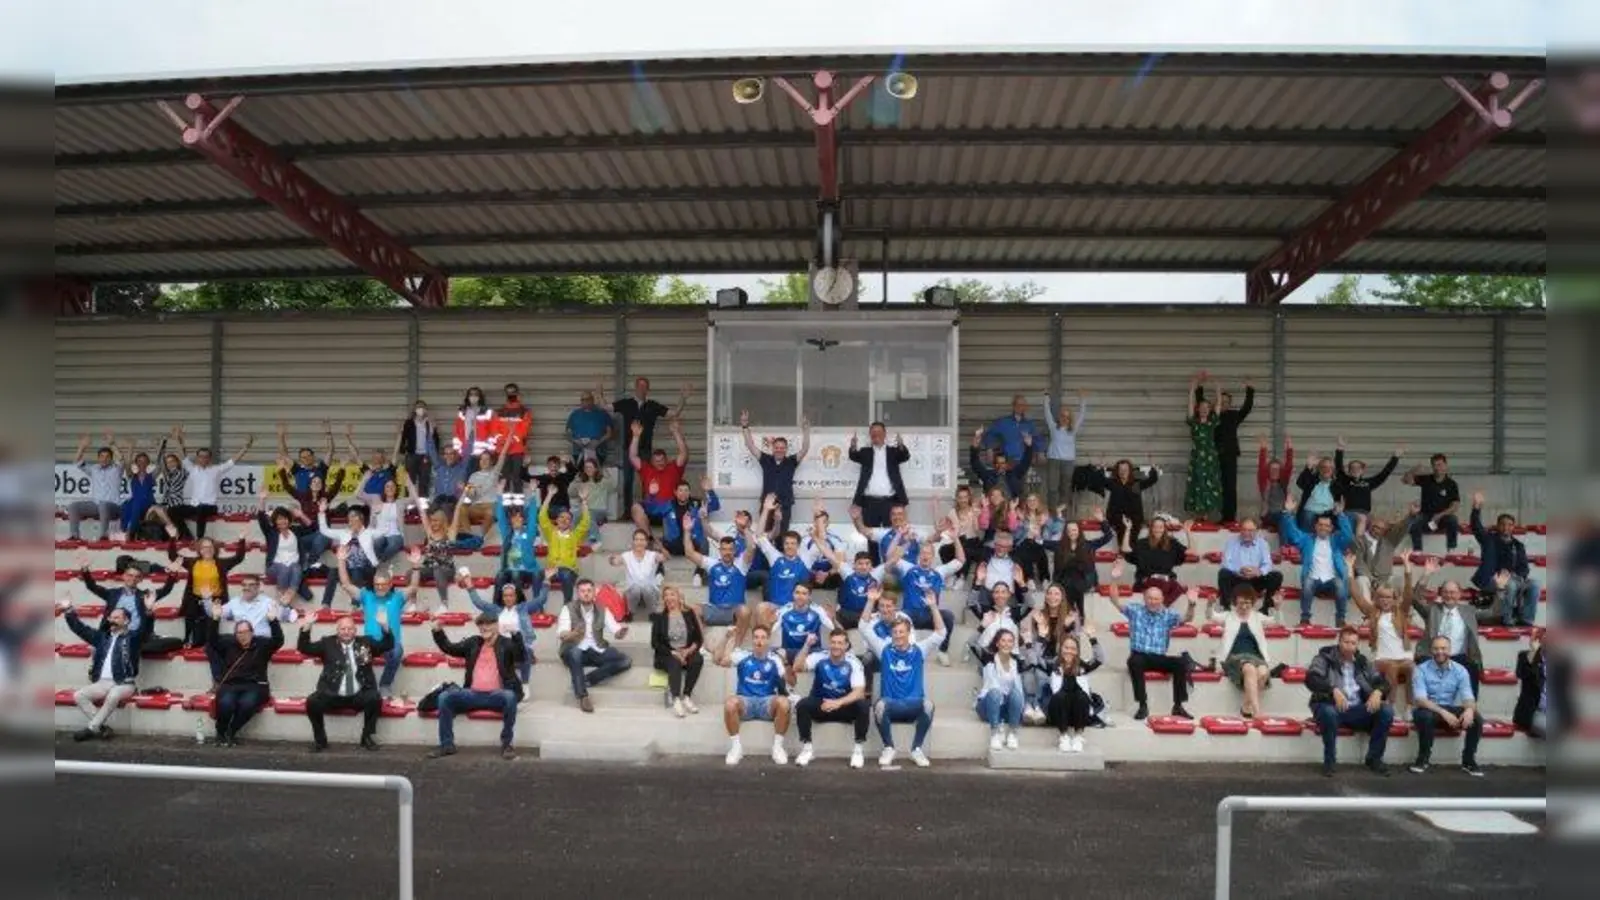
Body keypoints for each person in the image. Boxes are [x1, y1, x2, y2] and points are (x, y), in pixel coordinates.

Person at [857, 591, 947, 767]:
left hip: (913, 704)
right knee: (879, 705)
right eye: (895, 632)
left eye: (901, 632)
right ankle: (889, 747)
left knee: (928, 705)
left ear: (909, 633)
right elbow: (863, 626)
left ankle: (916, 749)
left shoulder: (920, 649)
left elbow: (941, 632)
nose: (898, 635)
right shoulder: (883, 649)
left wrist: (934, 607)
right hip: (891, 704)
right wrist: (870, 601)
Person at [59, 591, 157, 741]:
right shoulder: (101, 637)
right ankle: (102, 726)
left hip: (125, 683)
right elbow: (80, 628)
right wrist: (69, 610)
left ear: (126, 621)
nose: (112, 620)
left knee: (114, 695)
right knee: (79, 695)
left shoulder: (133, 638)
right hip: (102, 682)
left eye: (117, 618)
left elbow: (146, 629)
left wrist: (149, 611)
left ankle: (91, 729)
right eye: (111, 617)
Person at [427, 612, 525, 761]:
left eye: (488, 624)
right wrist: (438, 631)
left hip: (497, 695)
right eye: (481, 625)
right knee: (445, 697)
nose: (484, 627)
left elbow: (522, 657)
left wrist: (516, 634)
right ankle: (447, 745)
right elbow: (450, 648)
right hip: (472, 694)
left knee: (510, 696)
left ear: (496, 626)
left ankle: (507, 744)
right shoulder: (473, 642)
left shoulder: (506, 643)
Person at [1305, 626, 1394, 777]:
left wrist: (1378, 692)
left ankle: (1374, 759)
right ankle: (1329, 762)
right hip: (1330, 706)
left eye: (1353, 643)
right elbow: (1311, 679)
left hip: (1357, 709)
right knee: (1328, 712)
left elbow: (1383, 682)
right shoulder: (1324, 657)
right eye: (1346, 642)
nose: (1349, 646)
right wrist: (1332, 690)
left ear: (1357, 644)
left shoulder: (1362, 662)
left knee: (1386, 711)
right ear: (1339, 642)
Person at [298, 611, 393, 752]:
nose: (346, 632)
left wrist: (385, 626)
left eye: (350, 629)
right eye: (343, 629)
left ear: (355, 630)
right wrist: (307, 627)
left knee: (374, 698)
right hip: (332, 693)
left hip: (358, 694)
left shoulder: (366, 643)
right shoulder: (327, 643)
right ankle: (320, 740)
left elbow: (388, 644)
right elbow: (304, 648)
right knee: (312, 702)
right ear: (337, 631)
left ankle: (366, 737)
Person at [332, 547, 412, 699]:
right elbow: (346, 584)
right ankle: (360, 688)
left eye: (383, 584)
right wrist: (341, 561)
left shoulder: (397, 597)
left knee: (397, 652)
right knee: (353, 653)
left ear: (390, 585)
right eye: (377, 584)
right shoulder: (366, 596)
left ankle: (384, 685)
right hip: (370, 643)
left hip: (390, 642)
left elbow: (414, 587)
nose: (379, 587)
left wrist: (415, 567)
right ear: (373, 584)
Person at [788, 628, 871, 768]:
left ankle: (858, 750)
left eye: (840, 643)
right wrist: (806, 646)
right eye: (833, 642)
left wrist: (838, 702)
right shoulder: (820, 656)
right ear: (829, 643)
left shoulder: (854, 662)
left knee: (863, 705)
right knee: (802, 705)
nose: (836, 646)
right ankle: (807, 749)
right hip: (822, 705)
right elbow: (797, 667)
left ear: (846, 646)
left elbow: (859, 692)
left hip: (843, 707)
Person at [1349, 556, 1419, 716]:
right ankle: (1391, 706)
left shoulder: (1402, 612)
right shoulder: (1372, 612)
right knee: (1392, 668)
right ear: (1377, 599)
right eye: (1381, 597)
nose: (1385, 600)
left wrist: (1407, 568)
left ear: (1395, 599)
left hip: (1403, 655)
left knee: (1413, 669)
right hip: (1382, 657)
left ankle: (1410, 706)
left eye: (1388, 597)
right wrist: (1349, 570)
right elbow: (1356, 595)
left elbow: (1408, 594)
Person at [1120, 582, 1199, 720]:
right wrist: (1115, 580)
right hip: (1140, 655)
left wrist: (1191, 604)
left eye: (1156, 599)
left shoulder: (1168, 615)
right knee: (1134, 661)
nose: (1153, 602)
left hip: (1159, 657)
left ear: (1162, 600)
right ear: (1144, 599)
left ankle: (1178, 706)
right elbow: (1115, 601)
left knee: (1181, 663)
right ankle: (1142, 705)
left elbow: (1188, 618)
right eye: (1150, 598)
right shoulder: (1135, 610)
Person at [715, 623, 791, 765]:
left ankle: (778, 747)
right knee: (730, 703)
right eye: (756, 637)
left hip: (767, 702)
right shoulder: (742, 655)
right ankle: (736, 747)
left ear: (768, 640)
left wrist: (785, 663)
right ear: (752, 640)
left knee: (784, 703)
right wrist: (727, 639)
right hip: (746, 702)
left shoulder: (775, 659)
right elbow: (719, 660)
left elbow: (792, 682)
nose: (759, 641)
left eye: (763, 637)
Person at [603, 377, 688, 504]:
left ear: (648, 389)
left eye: (645, 386)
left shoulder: (652, 406)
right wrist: (599, 394)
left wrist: (683, 398)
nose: (642, 389)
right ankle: (627, 511)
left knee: (647, 480)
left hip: (646, 449)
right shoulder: (627, 403)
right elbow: (605, 407)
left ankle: (647, 505)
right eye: (640, 386)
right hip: (628, 447)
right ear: (635, 387)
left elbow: (674, 413)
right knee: (627, 480)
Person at [1409, 635, 1484, 777]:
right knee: (1425, 715)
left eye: (1443, 648)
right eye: (1436, 648)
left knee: (1477, 718)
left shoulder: (1460, 670)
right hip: (1427, 709)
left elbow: (1468, 697)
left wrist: (1469, 710)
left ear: (1450, 650)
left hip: (1448, 710)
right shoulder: (1421, 669)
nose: (1439, 652)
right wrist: (1443, 713)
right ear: (1431, 650)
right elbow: (1420, 700)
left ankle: (1468, 761)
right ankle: (1423, 758)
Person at [879, 536, 960, 664]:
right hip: (910, 614)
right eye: (922, 552)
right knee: (898, 616)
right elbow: (890, 555)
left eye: (928, 553)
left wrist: (955, 538)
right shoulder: (908, 568)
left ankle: (942, 651)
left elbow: (961, 560)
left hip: (930, 615)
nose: (925, 555)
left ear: (933, 556)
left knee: (948, 616)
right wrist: (902, 537)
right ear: (918, 555)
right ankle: (899, 651)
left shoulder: (940, 571)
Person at [555, 579, 632, 712]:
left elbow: (615, 631)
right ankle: (582, 696)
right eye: (582, 591)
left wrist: (621, 632)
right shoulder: (568, 609)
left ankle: (588, 679)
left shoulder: (603, 609)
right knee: (575, 652)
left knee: (625, 660)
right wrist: (572, 634)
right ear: (578, 593)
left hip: (596, 648)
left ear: (594, 593)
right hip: (573, 650)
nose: (586, 594)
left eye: (589, 591)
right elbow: (562, 633)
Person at [1410, 560, 1483, 696]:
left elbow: (1495, 612)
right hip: (1433, 655)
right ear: (1441, 594)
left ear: (1459, 594)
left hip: (1459, 657)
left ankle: (1469, 709)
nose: (1449, 595)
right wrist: (1426, 575)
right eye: (1446, 592)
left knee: (1472, 668)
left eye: (1453, 592)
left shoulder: (1469, 611)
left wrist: (1501, 590)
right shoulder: (1432, 609)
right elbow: (1415, 598)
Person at [1279, 496, 1355, 626]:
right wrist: (1288, 513)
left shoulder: (1336, 540)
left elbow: (1348, 536)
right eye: (1320, 525)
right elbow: (1292, 533)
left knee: (1341, 586)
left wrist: (1341, 515)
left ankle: (1340, 619)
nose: (1323, 528)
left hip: (1332, 578)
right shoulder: (1306, 539)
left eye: (1327, 526)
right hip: (1313, 578)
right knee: (1307, 584)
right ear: (1315, 526)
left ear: (1331, 528)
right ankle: (1305, 618)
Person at [210, 616, 285, 746]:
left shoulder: (262, 644)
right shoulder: (229, 643)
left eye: (246, 632)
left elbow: (278, 641)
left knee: (247, 704)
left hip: (255, 685)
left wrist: (273, 621)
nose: (243, 635)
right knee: (226, 703)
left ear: (251, 632)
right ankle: (220, 732)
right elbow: (212, 640)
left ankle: (231, 731)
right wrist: (215, 619)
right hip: (231, 684)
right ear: (235, 634)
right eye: (239, 633)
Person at [1468, 491, 1539, 627]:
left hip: (1513, 579)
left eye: (1509, 524)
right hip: (1490, 579)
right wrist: (1476, 507)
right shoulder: (1489, 539)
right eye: (1503, 524)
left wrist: (1516, 576)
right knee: (1510, 585)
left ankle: (1527, 620)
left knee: (1535, 584)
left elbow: (1524, 568)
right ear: (1498, 525)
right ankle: (1507, 619)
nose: (1506, 527)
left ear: (1513, 527)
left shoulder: (1518, 545)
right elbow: (1476, 527)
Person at [172, 426, 254, 540]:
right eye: (201, 457)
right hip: (194, 506)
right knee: (172, 510)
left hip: (210, 507)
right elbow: (182, 456)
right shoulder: (193, 469)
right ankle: (186, 535)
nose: (203, 459)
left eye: (206, 457)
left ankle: (200, 539)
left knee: (202, 509)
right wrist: (176, 439)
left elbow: (232, 461)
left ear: (209, 458)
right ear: (197, 458)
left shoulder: (215, 470)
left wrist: (245, 447)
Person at [1206, 586, 1275, 719]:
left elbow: (1276, 622)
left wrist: (1277, 608)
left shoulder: (1257, 617)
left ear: (1252, 603)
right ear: (1235, 603)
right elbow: (1211, 616)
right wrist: (1210, 604)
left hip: (1256, 656)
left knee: (1262, 672)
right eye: (1241, 603)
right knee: (1249, 669)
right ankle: (1257, 711)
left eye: (1247, 603)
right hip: (1234, 656)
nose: (1244, 606)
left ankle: (1245, 706)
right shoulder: (1228, 616)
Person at [167, 535, 249, 647]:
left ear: (215, 549)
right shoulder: (192, 562)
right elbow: (173, 556)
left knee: (210, 628)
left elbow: (238, 557)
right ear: (199, 550)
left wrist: (241, 540)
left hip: (215, 600)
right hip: (195, 598)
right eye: (204, 547)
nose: (207, 549)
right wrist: (172, 538)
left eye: (210, 547)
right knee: (190, 611)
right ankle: (188, 639)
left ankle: (210, 642)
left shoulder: (222, 563)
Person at [740, 409, 811, 537]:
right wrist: (745, 426)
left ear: (786, 449)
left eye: (782, 448)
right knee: (763, 537)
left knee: (782, 538)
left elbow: (805, 448)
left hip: (785, 506)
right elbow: (750, 445)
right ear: (773, 448)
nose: (779, 450)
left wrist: (806, 430)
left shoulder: (791, 462)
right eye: (777, 447)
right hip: (767, 505)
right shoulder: (765, 460)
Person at [1196, 380, 1253, 523]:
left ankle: (1229, 518)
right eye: (1221, 401)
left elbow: (1246, 408)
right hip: (1212, 456)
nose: (1224, 403)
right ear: (1216, 403)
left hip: (1229, 455)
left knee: (1229, 487)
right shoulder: (1211, 416)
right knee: (1212, 485)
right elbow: (1200, 404)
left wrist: (1250, 390)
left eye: (1227, 401)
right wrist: (1199, 387)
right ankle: (1208, 515)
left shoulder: (1234, 416)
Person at [683, 532, 758, 638]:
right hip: (714, 609)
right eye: (724, 549)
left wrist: (745, 529)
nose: (727, 552)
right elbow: (689, 553)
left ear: (735, 551)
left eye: (730, 549)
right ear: (719, 551)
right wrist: (687, 530)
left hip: (733, 611)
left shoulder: (741, 564)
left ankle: (736, 647)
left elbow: (751, 548)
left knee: (745, 611)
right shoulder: (711, 564)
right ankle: (702, 643)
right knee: (691, 609)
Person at [467, 576, 540, 684]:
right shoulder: (496, 609)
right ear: (502, 597)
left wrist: (546, 582)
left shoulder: (523, 608)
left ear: (516, 596)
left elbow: (541, 599)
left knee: (526, 651)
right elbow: (479, 603)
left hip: (520, 646)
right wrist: (470, 587)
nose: (508, 598)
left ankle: (525, 684)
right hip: (501, 646)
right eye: (505, 596)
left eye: (511, 595)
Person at [1046, 628, 1105, 752]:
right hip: (1059, 711)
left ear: (1077, 651)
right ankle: (1063, 736)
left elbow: (1100, 659)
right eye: (1066, 648)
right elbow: (1036, 659)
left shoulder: (1082, 666)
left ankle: (1078, 736)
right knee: (1060, 696)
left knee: (1081, 696)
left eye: (1073, 649)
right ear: (1060, 649)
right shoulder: (1053, 665)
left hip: (1078, 711)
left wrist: (1092, 639)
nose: (1069, 651)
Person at [650, 585, 705, 717]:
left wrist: (687, 651)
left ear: (679, 597)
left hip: (686, 650)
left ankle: (686, 696)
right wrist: (673, 652)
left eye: (672, 594)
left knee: (697, 659)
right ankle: (676, 699)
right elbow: (655, 643)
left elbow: (698, 639)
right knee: (674, 662)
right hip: (667, 653)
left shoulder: (689, 614)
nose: (669, 598)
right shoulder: (659, 617)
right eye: (666, 595)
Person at [1051, 510, 1113, 620]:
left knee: (1076, 584)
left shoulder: (1088, 545)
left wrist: (1102, 521)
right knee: (1070, 582)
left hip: (1083, 582)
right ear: (1065, 532)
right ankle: (1077, 615)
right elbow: (1040, 542)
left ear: (1079, 531)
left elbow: (1108, 536)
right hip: (1065, 583)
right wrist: (1034, 533)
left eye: (1074, 530)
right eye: (1069, 530)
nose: (1072, 533)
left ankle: (1078, 615)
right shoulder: (1059, 546)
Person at [628, 418, 689, 529]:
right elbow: (633, 457)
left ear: (666, 460)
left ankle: (669, 543)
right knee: (636, 508)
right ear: (651, 462)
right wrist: (636, 437)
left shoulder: (674, 468)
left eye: (662, 460)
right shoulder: (646, 469)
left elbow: (683, 453)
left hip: (670, 509)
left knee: (675, 510)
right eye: (657, 461)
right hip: (651, 508)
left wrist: (676, 432)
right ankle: (648, 539)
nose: (660, 463)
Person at [316, 501, 378, 609]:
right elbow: (324, 530)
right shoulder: (343, 533)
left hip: (367, 568)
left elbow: (385, 531)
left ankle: (356, 604)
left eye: (354, 516)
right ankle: (325, 604)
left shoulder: (370, 532)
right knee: (333, 570)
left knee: (356, 570)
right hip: (348, 568)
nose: (351, 519)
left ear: (361, 519)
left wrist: (379, 514)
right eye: (349, 517)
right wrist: (321, 513)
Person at [1350, 503, 1417, 601]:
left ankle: (1399, 612)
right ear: (1370, 526)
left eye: (1381, 529)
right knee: (1361, 580)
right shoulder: (1359, 541)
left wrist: (1411, 516)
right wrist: (1375, 585)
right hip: (1368, 579)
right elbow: (1360, 566)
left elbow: (1401, 529)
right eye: (1375, 527)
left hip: (1385, 579)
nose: (1377, 531)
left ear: (1385, 531)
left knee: (1398, 579)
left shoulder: (1389, 541)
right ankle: (1369, 613)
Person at [1216, 518, 1283, 615]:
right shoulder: (1231, 542)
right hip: (1238, 578)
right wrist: (1238, 570)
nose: (1247, 533)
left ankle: (1266, 609)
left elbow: (1268, 564)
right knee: (1223, 573)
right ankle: (1226, 608)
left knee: (1277, 576)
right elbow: (1226, 562)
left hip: (1255, 579)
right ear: (1240, 530)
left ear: (1256, 531)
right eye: (1244, 529)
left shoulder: (1263, 544)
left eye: (1250, 530)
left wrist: (1258, 571)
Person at [848, 422, 910, 529]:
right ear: (870, 435)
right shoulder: (865, 452)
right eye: (873, 432)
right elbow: (854, 456)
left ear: (884, 434)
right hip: (869, 502)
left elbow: (905, 456)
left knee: (891, 533)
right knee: (871, 535)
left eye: (879, 431)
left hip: (890, 501)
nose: (876, 434)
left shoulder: (893, 452)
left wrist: (900, 444)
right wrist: (853, 445)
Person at [1120, 515, 1191, 606]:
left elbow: (1191, 551)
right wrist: (1128, 529)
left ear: (1165, 529)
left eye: (1161, 527)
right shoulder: (1142, 543)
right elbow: (1125, 549)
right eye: (1155, 527)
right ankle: (1160, 607)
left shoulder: (1172, 543)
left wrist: (1188, 532)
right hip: (1147, 580)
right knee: (1159, 586)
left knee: (1178, 588)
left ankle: (1161, 607)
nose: (1158, 529)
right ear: (1151, 528)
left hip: (1166, 581)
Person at [540, 487, 593, 609]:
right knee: (537, 575)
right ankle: (539, 607)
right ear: (556, 520)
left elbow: (586, 522)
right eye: (561, 518)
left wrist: (584, 502)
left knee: (565, 574)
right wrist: (549, 496)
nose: (564, 520)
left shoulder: (574, 535)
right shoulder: (551, 532)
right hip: (552, 570)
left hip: (569, 570)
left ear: (570, 522)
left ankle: (568, 606)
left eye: (568, 519)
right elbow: (542, 517)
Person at [976, 629, 1027, 751]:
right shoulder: (989, 661)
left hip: (1005, 706)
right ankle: (995, 733)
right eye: (1003, 640)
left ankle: (1013, 733)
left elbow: (1018, 688)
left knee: (1016, 693)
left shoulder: (1016, 663)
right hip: (989, 705)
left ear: (1013, 644)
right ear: (997, 643)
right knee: (995, 692)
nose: (1006, 644)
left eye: (1010, 641)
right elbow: (992, 686)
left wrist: (1020, 707)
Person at [67, 433, 124, 541]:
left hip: (113, 507)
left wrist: (113, 444)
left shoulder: (116, 469)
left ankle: (104, 536)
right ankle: (75, 536)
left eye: (107, 457)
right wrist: (82, 447)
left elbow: (121, 459)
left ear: (111, 459)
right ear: (98, 458)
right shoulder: (94, 469)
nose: (104, 459)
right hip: (96, 506)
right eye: (102, 456)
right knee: (73, 506)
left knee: (103, 504)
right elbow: (77, 462)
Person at [1333, 438, 1402, 527]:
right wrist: (1340, 448)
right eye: (1353, 468)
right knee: (1349, 537)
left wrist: (1395, 457)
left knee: (1364, 531)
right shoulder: (1345, 480)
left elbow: (1384, 474)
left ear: (1363, 471)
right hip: (1349, 513)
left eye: (1358, 468)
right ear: (1349, 471)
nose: (1355, 470)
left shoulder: (1369, 483)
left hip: (1364, 514)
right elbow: (1339, 467)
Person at [1040, 390, 1089, 512]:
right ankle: (1052, 514)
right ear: (1059, 417)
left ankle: (1063, 515)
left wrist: (1082, 400)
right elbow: (1047, 413)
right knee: (1052, 488)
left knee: (1065, 489)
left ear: (1070, 418)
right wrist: (1046, 398)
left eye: (1067, 416)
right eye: (1062, 416)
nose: (1065, 418)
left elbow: (1082, 416)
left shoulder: (1073, 430)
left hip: (1068, 462)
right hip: (1054, 461)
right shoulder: (1053, 427)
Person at [1184, 371, 1223, 519]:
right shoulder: (1193, 422)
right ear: (1198, 409)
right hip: (1197, 457)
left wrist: (1216, 386)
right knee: (1196, 482)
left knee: (1209, 484)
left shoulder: (1212, 422)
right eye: (1202, 407)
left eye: (1207, 407)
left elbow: (1218, 404)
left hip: (1210, 457)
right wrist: (1193, 387)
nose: (1204, 409)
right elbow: (1190, 403)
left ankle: (1206, 514)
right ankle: (1197, 514)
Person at [765, 584, 835, 665]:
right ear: (793, 594)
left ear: (809, 596)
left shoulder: (818, 610)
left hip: (811, 652)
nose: (800, 596)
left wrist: (833, 619)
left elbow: (834, 629)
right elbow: (769, 632)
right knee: (773, 654)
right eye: (797, 593)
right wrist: (770, 622)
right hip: (790, 651)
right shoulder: (784, 610)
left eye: (804, 594)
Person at [493, 494, 546, 602]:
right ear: (510, 520)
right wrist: (499, 495)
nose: (517, 519)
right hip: (511, 569)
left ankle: (537, 604)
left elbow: (532, 517)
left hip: (529, 570)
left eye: (519, 517)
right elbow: (501, 517)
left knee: (537, 573)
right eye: (514, 517)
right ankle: (500, 606)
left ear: (523, 520)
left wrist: (532, 494)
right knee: (502, 575)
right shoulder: (507, 533)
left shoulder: (529, 533)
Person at [1403, 453, 1461, 552]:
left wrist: (1440, 515)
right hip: (1426, 516)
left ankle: (1451, 549)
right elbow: (1405, 480)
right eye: (1434, 465)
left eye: (1440, 465)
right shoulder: (1426, 479)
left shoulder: (1451, 484)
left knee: (1453, 520)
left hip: (1442, 517)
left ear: (1445, 466)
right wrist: (1413, 470)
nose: (1437, 468)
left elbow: (1455, 506)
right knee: (1414, 522)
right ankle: (1417, 551)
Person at [1102, 459, 1159, 547]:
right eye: (1120, 469)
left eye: (1125, 469)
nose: (1123, 471)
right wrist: (1101, 469)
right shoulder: (1113, 483)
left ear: (1130, 470)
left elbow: (1152, 480)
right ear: (1117, 471)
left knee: (1132, 543)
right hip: (1117, 519)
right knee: (1121, 542)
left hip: (1134, 519)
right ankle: (1123, 556)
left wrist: (1153, 469)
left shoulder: (1136, 483)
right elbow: (1100, 479)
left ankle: (1131, 558)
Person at [968, 426, 1033, 500]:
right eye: (997, 463)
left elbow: (1026, 462)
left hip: (1011, 507)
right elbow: (975, 463)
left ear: (1007, 464)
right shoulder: (988, 476)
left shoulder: (1014, 474)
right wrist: (975, 446)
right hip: (992, 508)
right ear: (994, 464)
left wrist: (1029, 446)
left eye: (1002, 463)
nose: (1000, 465)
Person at [982, 394, 1042, 471]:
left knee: (1020, 482)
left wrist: (1040, 452)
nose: (1021, 407)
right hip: (1005, 459)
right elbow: (989, 435)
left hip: (1023, 461)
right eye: (1019, 405)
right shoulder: (1003, 422)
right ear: (1013, 406)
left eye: (1024, 405)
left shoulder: (1029, 424)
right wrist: (989, 450)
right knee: (1005, 481)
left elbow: (1038, 439)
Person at [613, 528, 664, 617]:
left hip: (650, 591)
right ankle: (630, 612)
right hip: (633, 592)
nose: (639, 542)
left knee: (647, 587)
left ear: (646, 542)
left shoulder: (652, 555)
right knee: (636, 588)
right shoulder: (626, 555)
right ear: (633, 542)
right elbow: (615, 561)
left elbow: (664, 557)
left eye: (642, 540)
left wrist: (661, 550)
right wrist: (613, 560)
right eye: (636, 540)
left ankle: (653, 613)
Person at [275, 419, 334, 494]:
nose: (307, 458)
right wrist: (281, 436)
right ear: (300, 459)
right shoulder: (297, 470)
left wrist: (328, 433)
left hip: (319, 503)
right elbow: (284, 454)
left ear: (313, 456)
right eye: (304, 457)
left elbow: (330, 451)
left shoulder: (321, 469)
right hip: (303, 503)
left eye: (309, 456)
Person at [396, 401, 439, 499]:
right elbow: (404, 437)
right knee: (410, 481)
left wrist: (434, 453)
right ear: (415, 410)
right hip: (412, 454)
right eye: (418, 407)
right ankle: (409, 502)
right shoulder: (409, 422)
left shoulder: (429, 423)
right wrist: (402, 451)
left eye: (423, 407)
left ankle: (423, 502)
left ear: (426, 410)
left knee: (424, 479)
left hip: (425, 455)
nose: (421, 409)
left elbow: (435, 438)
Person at [495, 384, 534, 491]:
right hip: (502, 450)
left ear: (517, 393)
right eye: (508, 392)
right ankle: (504, 506)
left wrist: (512, 439)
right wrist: (504, 440)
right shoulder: (499, 411)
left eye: (513, 392)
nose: (510, 394)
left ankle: (518, 506)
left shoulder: (525, 411)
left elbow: (525, 430)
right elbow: (495, 430)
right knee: (504, 479)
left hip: (518, 450)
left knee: (517, 478)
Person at [570, 457, 618, 541]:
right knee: (576, 515)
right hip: (585, 510)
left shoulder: (602, 481)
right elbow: (571, 493)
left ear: (595, 469)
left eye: (590, 467)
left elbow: (613, 487)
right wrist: (575, 480)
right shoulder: (581, 482)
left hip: (600, 511)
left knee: (588, 514)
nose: (588, 469)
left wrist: (606, 472)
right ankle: (572, 539)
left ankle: (596, 539)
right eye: (586, 467)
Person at [566, 390, 615, 464]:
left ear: (592, 399)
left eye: (587, 399)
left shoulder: (602, 413)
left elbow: (610, 433)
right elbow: (568, 434)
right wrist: (576, 441)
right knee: (580, 474)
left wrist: (598, 442)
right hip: (579, 452)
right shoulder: (574, 415)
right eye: (583, 400)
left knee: (594, 474)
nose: (585, 402)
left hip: (598, 451)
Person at [1295, 454, 1342, 532]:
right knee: (1308, 516)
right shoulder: (1312, 480)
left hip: (1329, 513)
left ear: (1333, 470)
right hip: (1311, 512)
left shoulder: (1336, 484)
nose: (1326, 469)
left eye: (1329, 467)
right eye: (1324, 467)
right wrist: (1308, 467)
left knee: (1340, 519)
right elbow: (1300, 483)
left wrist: (1340, 452)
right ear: (1319, 469)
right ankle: (1307, 539)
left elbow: (1338, 500)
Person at [453, 387, 499, 462]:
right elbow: (457, 433)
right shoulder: (462, 412)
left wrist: (491, 451)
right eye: (471, 394)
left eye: (476, 394)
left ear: (480, 397)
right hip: (465, 452)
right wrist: (457, 451)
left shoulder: (488, 412)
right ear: (467, 397)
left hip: (482, 454)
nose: (473, 396)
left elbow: (494, 433)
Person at [1255, 434, 1295, 521]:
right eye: (1272, 469)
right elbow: (1261, 467)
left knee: (1287, 516)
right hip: (1268, 514)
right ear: (1268, 471)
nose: (1274, 471)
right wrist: (1263, 449)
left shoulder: (1284, 481)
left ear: (1281, 471)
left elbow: (1289, 466)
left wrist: (1289, 449)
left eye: (1277, 469)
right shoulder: (1264, 483)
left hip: (1282, 514)